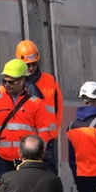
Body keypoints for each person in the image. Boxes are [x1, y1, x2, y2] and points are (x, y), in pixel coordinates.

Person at [0, 60, 54, 177]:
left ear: (23, 80)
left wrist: (39, 155)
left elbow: (44, 132)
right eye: (5, 81)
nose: (7, 85)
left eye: (11, 82)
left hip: (27, 162)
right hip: (2, 160)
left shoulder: (36, 103)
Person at [14, 40, 61, 169]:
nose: (31, 68)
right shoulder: (11, 84)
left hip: (45, 142)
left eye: (34, 64)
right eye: (27, 65)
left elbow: (58, 111)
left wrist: (51, 136)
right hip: (22, 144)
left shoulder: (50, 82)